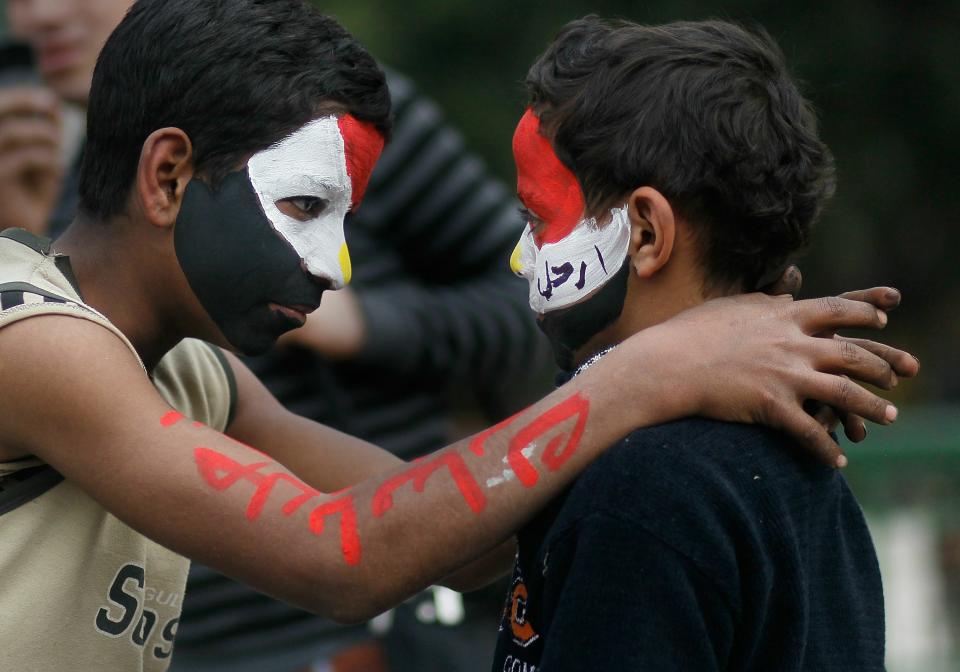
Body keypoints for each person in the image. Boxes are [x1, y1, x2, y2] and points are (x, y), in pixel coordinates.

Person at [0, 3, 914, 672]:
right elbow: (339, 552)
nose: (333, 267)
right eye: (306, 206)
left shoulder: (202, 375)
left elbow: (446, 529)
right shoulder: (31, 337)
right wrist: (651, 371)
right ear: (167, 175)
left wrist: (685, 371)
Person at [493, 18, 903, 671]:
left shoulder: (639, 496)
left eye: (538, 220)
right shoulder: (788, 455)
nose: (521, 260)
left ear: (646, 233)